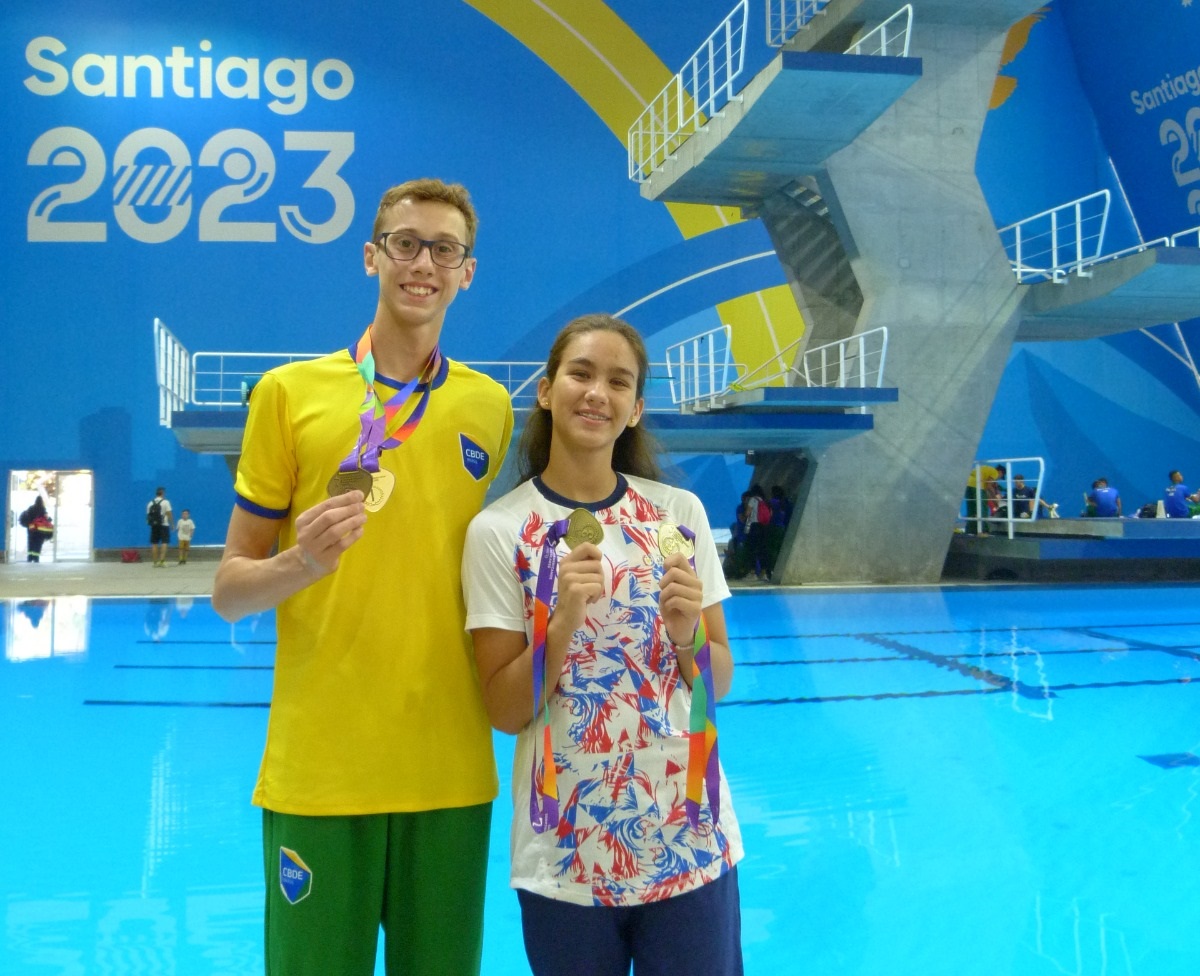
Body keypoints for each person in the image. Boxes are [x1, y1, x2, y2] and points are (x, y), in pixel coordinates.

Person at [210, 178, 514, 976]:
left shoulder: (489, 407)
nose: (423, 264)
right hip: (321, 770)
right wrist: (302, 561)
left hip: (450, 769)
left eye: (443, 249)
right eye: (406, 244)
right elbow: (228, 592)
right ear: (371, 256)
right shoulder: (289, 394)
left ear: (467, 272)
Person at [463, 314, 744, 976]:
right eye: (581, 374)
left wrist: (687, 638)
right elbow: (505, 710)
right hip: (565, 856)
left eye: (619, 382)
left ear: (636, 408)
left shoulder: (678, 515)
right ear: (546, 390)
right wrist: (560, 624)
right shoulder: (499, 531)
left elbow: (717, 684)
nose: (597, 393)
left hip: (689, 837)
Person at [964, 463, 1004, 533]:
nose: (998, 478)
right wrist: (995, 499)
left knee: (971, 509)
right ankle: (984, 530)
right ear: (1000, 472)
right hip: (977, 485)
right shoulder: (995, 472)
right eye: (1001, 477)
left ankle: (970, 530)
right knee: (983, 509)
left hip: (967, 484)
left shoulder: (986, 470)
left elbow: (986, 492)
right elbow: (989, 486)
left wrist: (992, 500)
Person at [19, 495, 53, 563]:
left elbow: (27, 517)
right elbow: (46, 518)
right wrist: (50, 520)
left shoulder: (31, 508)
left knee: (30, 543)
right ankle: (36, 558)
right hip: (40, 530)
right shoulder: (42, 509)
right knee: (38, 544)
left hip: (31, 528)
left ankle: (30, 558)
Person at [147, 487, 173, 567]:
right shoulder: (165, 502)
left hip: (154, 525)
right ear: (162, 493)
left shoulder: (150, 503)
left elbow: (148, 515)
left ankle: (155, 562)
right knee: (164, 542)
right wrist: (172, 524)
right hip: (164, 524)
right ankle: (162, 561)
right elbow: (169, 513)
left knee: (154, 543)